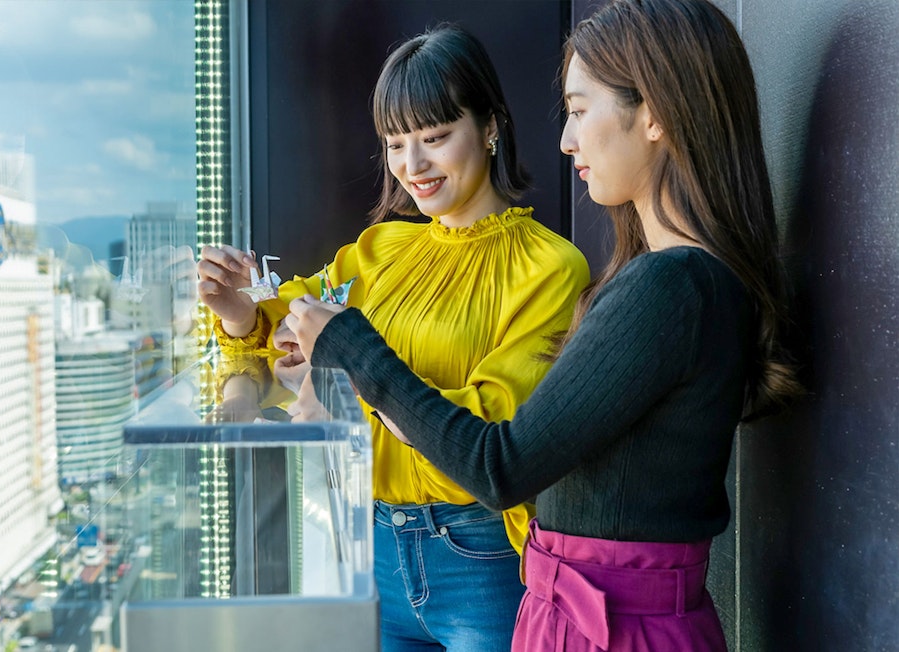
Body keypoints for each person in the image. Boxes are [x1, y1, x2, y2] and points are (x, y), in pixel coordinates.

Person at [284, 1, 803, 650]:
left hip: (609, 628)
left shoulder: (670, 286)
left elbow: (498, 465)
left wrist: (351, 347)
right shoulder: (682, 282)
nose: (566, 140)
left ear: (655, 115)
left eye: (580, 111)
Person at [197, 24, 589, 652]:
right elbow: (281, 333)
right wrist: (236, 306)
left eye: (435, 138)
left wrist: (350, 375)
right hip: (368, 542)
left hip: (480, 556)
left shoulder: (549, 269)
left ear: (490, 126)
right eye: (395, 144)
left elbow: (494, 434)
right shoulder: (379, 249)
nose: (413, 167)